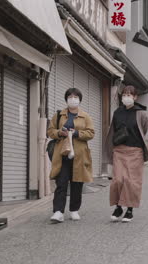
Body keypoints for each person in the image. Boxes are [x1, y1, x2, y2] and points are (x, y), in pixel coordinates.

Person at [104, 86, 148, 222]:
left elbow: (144, 129)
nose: (126, 97)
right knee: (118, 179)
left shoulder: (141, 113)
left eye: (130, 94)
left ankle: (129, 210)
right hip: (119, 150)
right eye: (124, 94)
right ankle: (118, 207)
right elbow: (113, 129)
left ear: (135, 97)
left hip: (135, 151)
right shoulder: (117, 112)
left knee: (131, 181)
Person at [48, 88, 95, 223]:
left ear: (80, 100)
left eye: (75, 97)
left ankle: (74, 210)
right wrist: (59, 133)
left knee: (77, 183)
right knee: (61, 183)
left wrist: (76, 133)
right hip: (62, 154)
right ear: (66, 99)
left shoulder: (85, 116)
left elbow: (91, 133)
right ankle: (58, 211)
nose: (73, 99)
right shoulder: (58, 115)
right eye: (70, 96)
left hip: (79, 155)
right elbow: (50, 131)